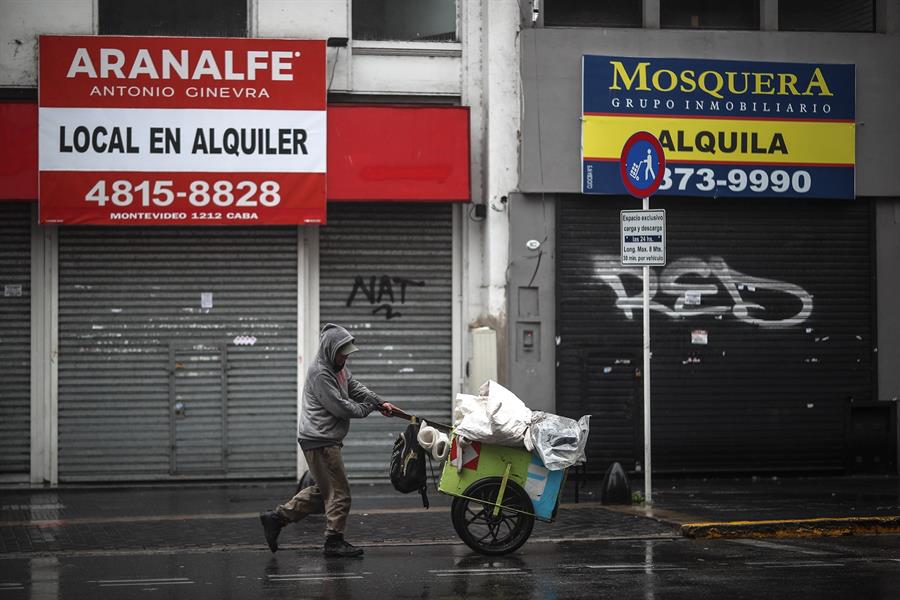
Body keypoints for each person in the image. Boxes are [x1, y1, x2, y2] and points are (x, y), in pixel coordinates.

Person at [260, 323, 397, 558]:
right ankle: (334, 541)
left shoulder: (338, 366)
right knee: (339, 493)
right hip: (319, 440)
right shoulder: (320, 372)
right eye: (343, 353)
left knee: (325, 492)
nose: (345, 358)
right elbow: (340, 407)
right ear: (331, 350)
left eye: (347, 354)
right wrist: (369, 408)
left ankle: (276, 518)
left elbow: (353, 386)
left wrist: (378, 401)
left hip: (323, 438)